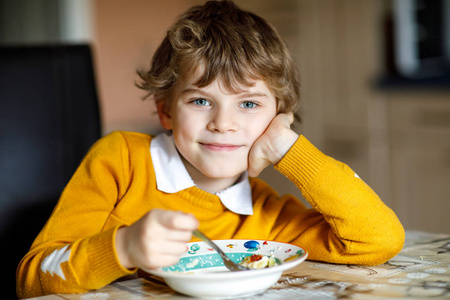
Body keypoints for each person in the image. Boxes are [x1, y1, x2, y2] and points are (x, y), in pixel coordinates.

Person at [16, 1, 405, 298]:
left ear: (277, 118)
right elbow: (32, 280)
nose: (223, 122)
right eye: (201, 101)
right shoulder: (119, 161)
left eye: (249, 104)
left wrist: (289, 149)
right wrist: (123, 247)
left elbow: (378, 240)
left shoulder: (265, 215)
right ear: (165, 110)